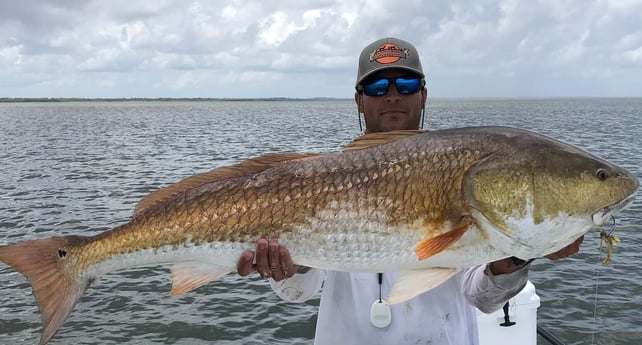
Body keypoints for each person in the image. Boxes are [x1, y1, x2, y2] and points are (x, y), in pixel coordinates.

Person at [236, 37, 584, 344]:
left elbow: (484, 298)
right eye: (377, 88)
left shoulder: (456, 171)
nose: (392, 96)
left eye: (405, 84)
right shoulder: (322, 179)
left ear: (424, 95)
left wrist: (518, 255)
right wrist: (289, 268)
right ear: (359, 100)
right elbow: (299, 292)